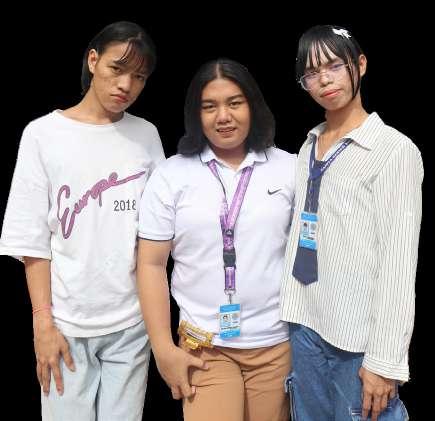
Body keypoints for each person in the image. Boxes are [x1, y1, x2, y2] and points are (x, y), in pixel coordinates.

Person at [0, 21, 164, 421]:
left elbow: (160, 231)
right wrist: (43, 323)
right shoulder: (43, 134)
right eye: (117, 69)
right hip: (66, 325)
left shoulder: (146, 135)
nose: (126, 85)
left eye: (139, 77)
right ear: (93, 60)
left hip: (131, 325)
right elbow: (31, 240)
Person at [137, 58, 297, 421]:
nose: (223, 116)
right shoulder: (171, 175)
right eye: (209, 106)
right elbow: (150, 264)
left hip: (275, 344)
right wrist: (163, 349)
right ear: (196, 114)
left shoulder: (289, 167)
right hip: (204, 347)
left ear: (253, 106)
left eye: (234, 103)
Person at [280, 25, 423, 421]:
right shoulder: (309, 144)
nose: (324, 80)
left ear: (359, 64)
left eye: (334, 66)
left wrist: (384, 361)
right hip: (304, 324)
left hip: (357, 340)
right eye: (312, 73)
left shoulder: (393, 150)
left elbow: (398, 262)